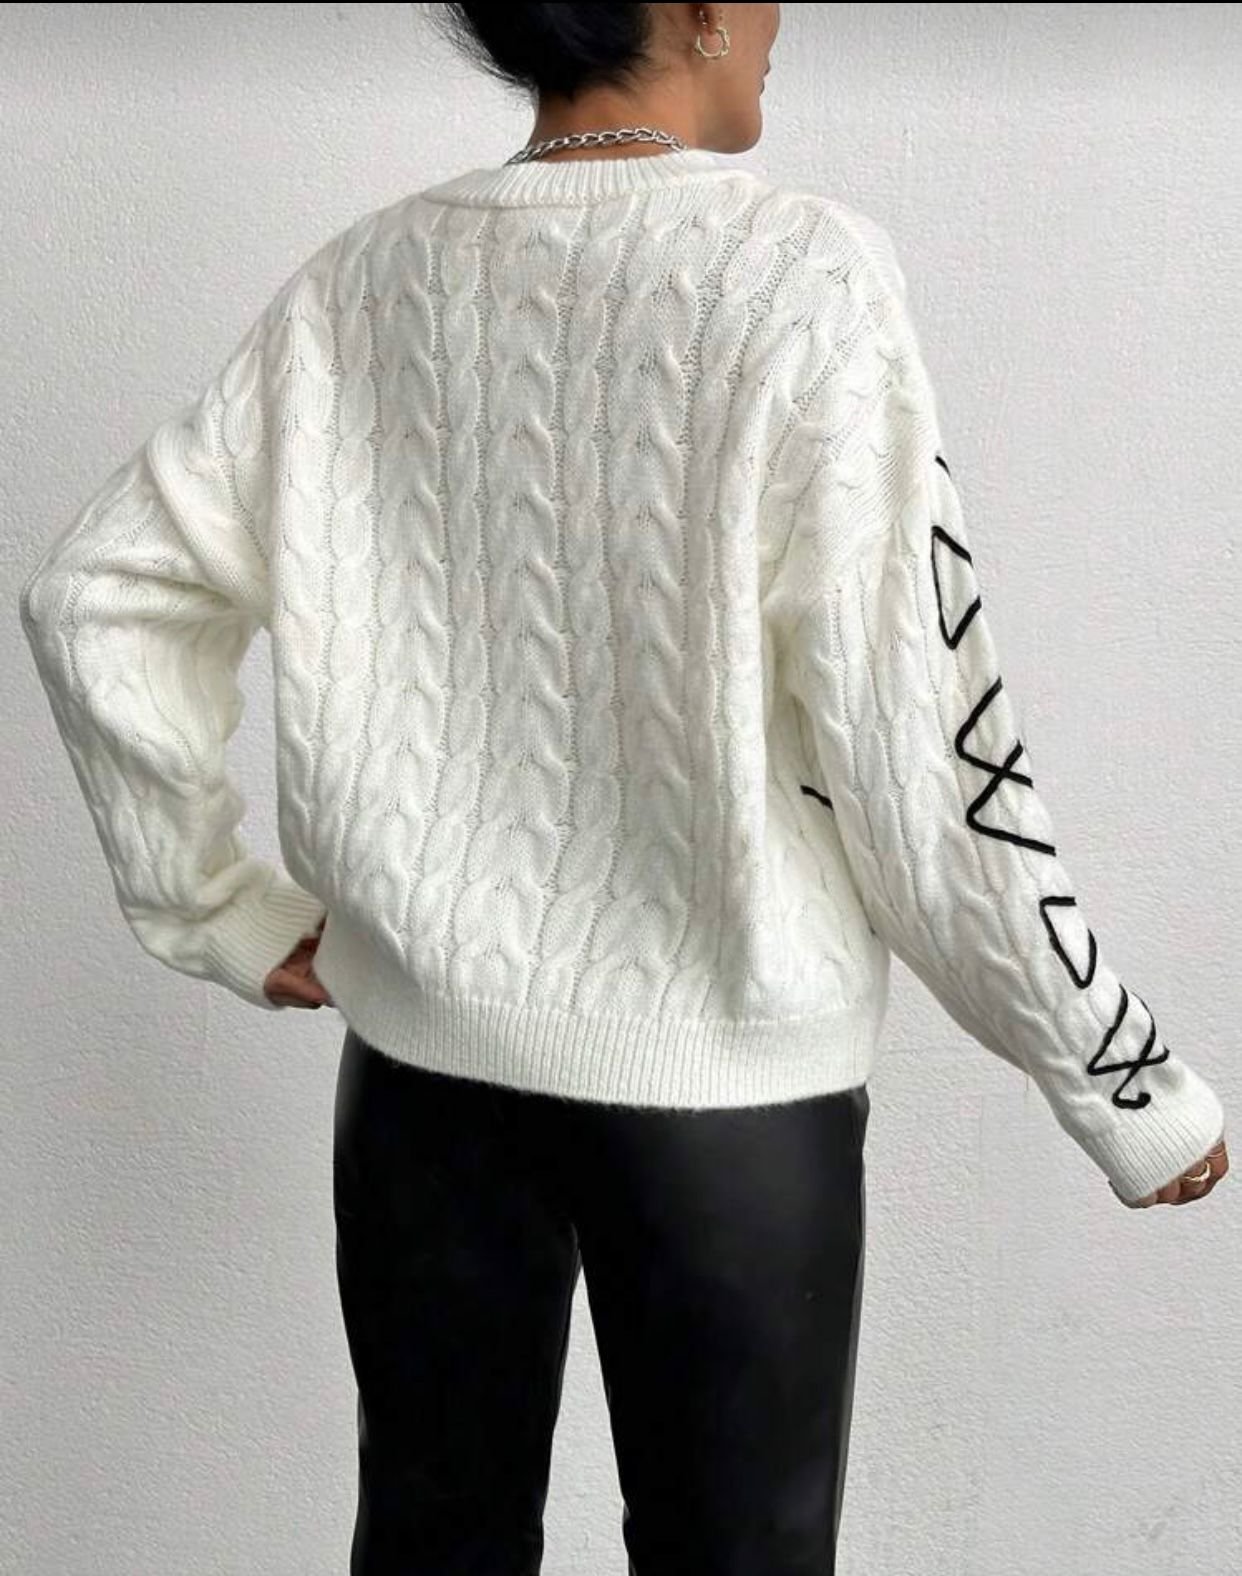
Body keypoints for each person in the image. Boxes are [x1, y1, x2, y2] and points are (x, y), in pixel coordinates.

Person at [17, 4, 1228, 1573]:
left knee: (432, 1542)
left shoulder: (363, 281)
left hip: (419, 1079)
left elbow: (100, 596)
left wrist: (221, 907)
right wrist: (1113, 1073)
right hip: (725, 1094)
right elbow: (919, 736)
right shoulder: (801, 274)